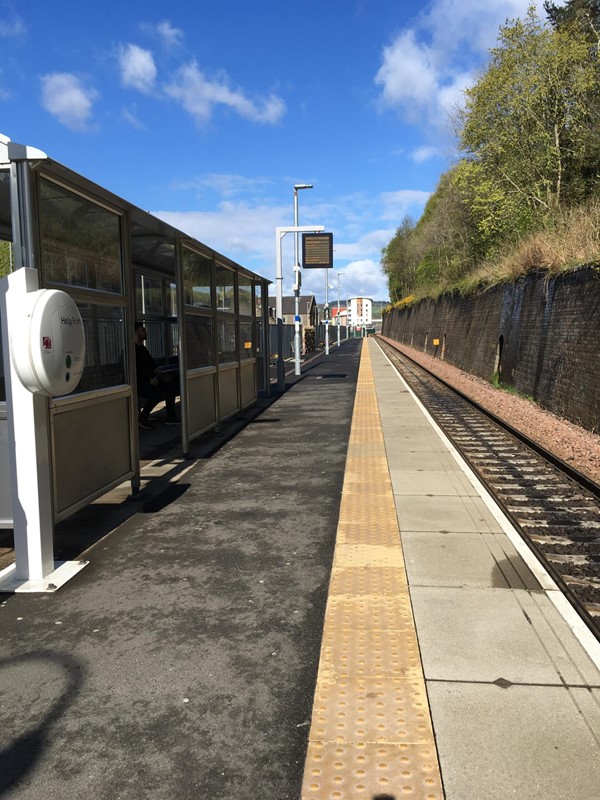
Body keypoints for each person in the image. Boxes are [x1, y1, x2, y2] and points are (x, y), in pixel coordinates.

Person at [134, 321, 178, 428]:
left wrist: (155, 369)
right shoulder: (132, 351)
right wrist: (149, 380)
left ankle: (171, 417)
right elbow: (134, 372)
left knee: (169, 387)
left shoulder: (143, 349)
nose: (145, 332)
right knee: (157, 393)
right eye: (142, 330)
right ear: (135, 333)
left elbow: (151, 362)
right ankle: (143, 418)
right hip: (139, 383)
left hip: (150, 380)